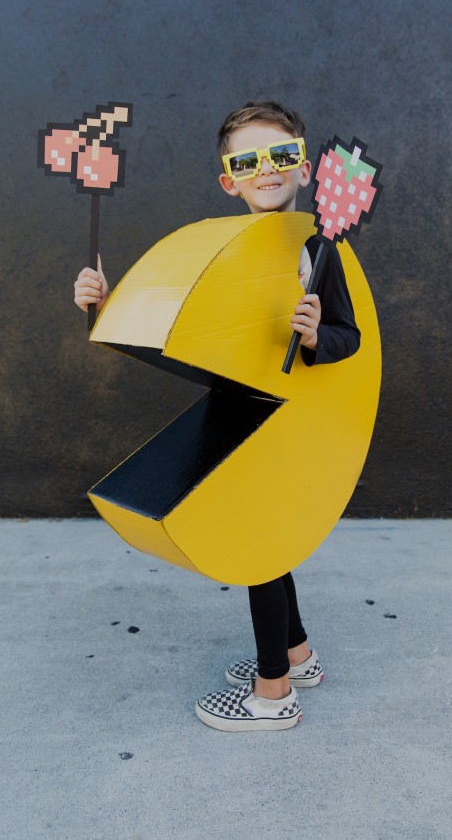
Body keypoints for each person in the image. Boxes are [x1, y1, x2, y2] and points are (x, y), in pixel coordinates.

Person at [74, 101, 359, 731]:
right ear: (229, 179)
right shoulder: (225, 252)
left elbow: (350, 339)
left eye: (282, 155)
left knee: (256, 546)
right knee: (272, 543)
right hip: (241, 411)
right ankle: (298, 654)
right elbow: (181, 328)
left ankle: (273, 694)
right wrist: (102, 307)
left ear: (305, 169)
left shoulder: (321, 251)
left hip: (288, 420)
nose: (267, 170)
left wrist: (318, 339)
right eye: (248, 161)